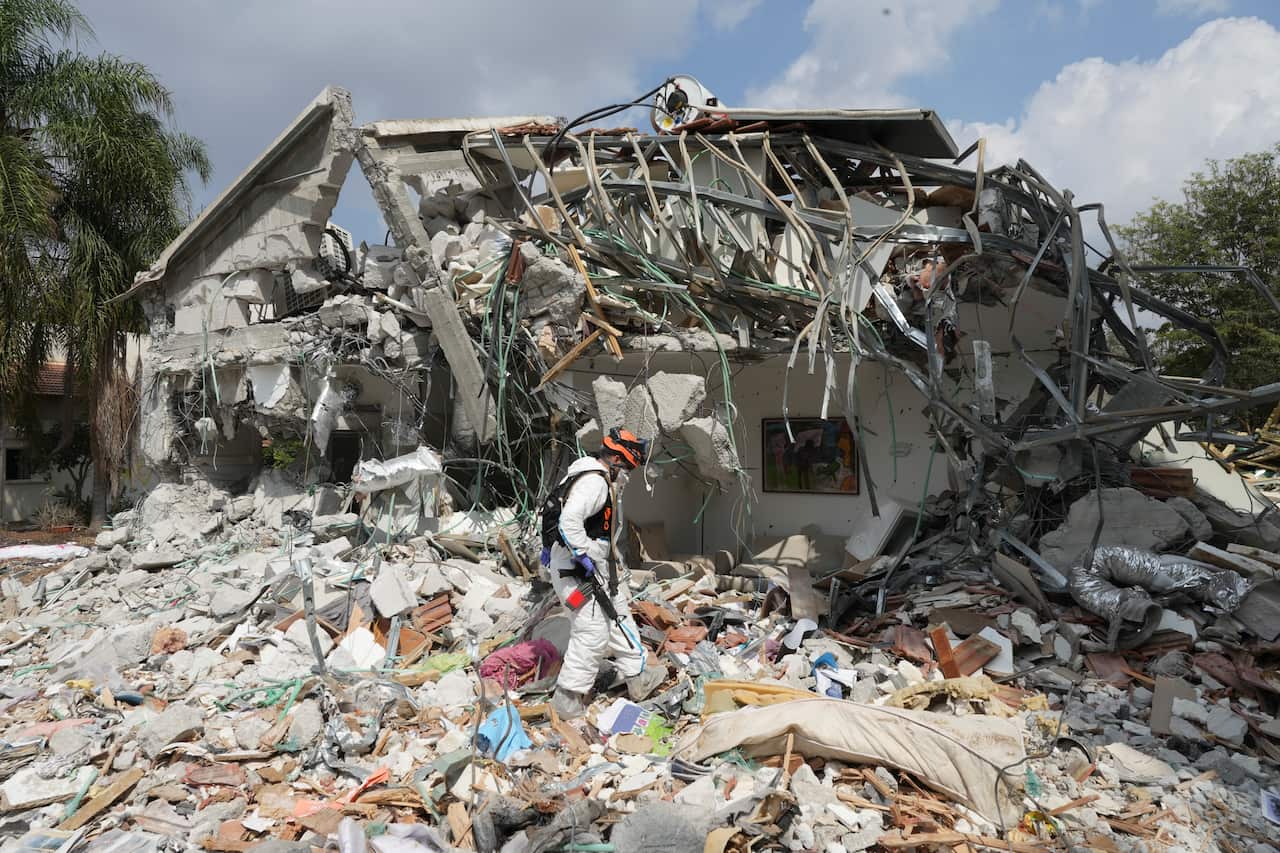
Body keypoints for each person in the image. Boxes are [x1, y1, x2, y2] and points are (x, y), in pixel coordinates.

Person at [542, 428, 666, 719]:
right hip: (578, 572)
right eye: (628, 469)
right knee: (593, 631)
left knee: (619, 617)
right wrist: (582, 556)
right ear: (616, 459)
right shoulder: (594, 483)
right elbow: (569, 521)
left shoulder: (585, 476)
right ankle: (567, 700)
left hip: (595, 568)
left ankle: (638, 677)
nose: (627, 476)